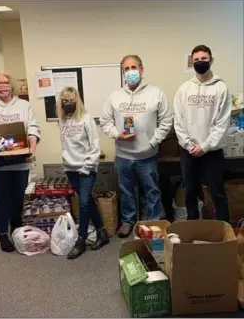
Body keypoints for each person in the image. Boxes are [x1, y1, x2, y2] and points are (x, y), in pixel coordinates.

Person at [100, 55, 173, 238]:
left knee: (152, 191)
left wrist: (153, 141)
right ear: (123, 73)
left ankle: (153, 222)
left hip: (148, 155)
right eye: (126, 68)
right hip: (124, 155)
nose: (130, 71)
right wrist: (118, 134)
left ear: (141, 69)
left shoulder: (156, 93)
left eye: (134, 67)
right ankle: (128, 221)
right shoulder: (114, 96)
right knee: (126, 191)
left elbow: (166, 121)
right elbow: (105, 121)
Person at [0, 72, 41, 252]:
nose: (2, 86)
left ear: (12, 85)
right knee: (0, 199)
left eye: (5, 83)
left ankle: (17, 229)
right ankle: (3, 234)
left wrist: (32, 149)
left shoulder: (24, 105)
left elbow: (33, 127)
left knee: (18, 197)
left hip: (20, 163)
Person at [174, 44, 231, 221]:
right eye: (196, 60)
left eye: (204, 59)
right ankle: (192, 228)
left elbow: (222, 123)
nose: (200, 62)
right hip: (188, 151)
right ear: (192, 62)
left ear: (211, 60)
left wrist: (205, 146)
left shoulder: (221, 88)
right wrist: (190, 145)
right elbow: (178, 120)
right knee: (190, 193)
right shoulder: (184, 89)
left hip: (212, 151)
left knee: (218, 194)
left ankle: (223, 230)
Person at [57, 86, 109, 259]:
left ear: (77, 101)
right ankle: (102, 233)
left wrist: (87, 167)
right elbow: (65, 145)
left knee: (84, 203)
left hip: (86, 168)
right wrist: (65, 163)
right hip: (71, 168)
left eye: (71, 99)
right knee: (87, 202)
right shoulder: (62, 120)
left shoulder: (86, 119)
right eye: (64, 100)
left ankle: (81, 240)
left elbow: (94, 146)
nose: (67, 103)